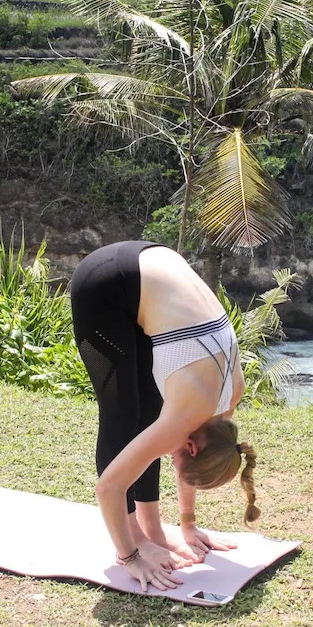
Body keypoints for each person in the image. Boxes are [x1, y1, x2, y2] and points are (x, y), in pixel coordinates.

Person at [69, 240, 260, 593]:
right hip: (102, 284)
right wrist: (131, 558)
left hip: (150, 266)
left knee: (151, 418)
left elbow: (178, 448)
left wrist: (188, 524)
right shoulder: (184, 420)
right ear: (190, 448)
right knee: (121, 416)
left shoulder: (227, 402)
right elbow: (108, 487)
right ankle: (135, 537)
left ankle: (153, 529)